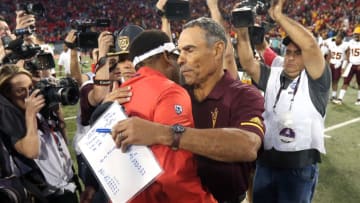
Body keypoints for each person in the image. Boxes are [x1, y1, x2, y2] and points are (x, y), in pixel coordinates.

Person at [111, 17, 265, 203]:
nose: (181, 59)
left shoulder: (244, 95)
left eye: (189, 50)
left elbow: (247, 146)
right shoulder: (172, 92)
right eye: (179, 51)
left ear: (217, 50)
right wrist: (107, 106)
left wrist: (167, 134)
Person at [104, 29, 215, 203]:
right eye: (175, 56)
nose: (179, 61)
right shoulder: (169, 91)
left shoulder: (120, 93)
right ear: (165, 56)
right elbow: (174, 174)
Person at [235, 0, 331, 202]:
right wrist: (242, 30)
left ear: (307, 59)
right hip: (267, 161)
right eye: (288, 52)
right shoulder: (274, 75)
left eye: (298, 54)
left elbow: (311, 45)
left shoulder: (316, 81)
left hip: (299, 167)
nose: (291, 58)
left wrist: (278, 15)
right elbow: (248, 63)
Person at [0, 64, 79, 202]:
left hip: (67, 186)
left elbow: (62, 145)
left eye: (30, 88)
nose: (28, 94)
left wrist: (58, 115)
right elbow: (31, 152)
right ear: (7, 94)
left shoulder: (41, 113)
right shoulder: (10, 120)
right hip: (46, 195)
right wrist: (30, 115)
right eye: (20, 91)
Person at [333, 27, 360, 105]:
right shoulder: (350, 42)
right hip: (351, 65)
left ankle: (359, 99)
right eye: (355, 34)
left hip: (359, 65)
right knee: (345, 82)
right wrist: (344, 66)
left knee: (359, 83)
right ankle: (340, 99)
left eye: (358, 34)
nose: (356, 36)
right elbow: (347, 53)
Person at [325, 32, 348, 102]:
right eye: (336, 37)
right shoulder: (332, 44)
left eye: (338, 38)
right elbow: (329, 54)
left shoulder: (345, 45)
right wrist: (326, 63)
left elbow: (346, 56)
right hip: (331, 64)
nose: (336, 39)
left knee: (335, 81)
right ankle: (326, 95)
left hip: (338, 65)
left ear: (341, 39)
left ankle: (333, 96)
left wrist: (343, 66)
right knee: (327, 81)